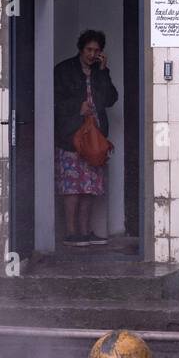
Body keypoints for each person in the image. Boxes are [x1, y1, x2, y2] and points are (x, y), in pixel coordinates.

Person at [54, 30, 119, 248]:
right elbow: (53, 100)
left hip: (95, 137)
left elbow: (110, 99)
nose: (92, 54)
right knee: (72, 186)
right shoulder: (64, 70)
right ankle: (71, 233)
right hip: (71, 135)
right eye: (89, 50)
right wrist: (76, 108)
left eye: (97, 51)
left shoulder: (99, 71)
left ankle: (85, 231)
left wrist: (103, 71)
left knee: (90, 185)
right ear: (81, 49)